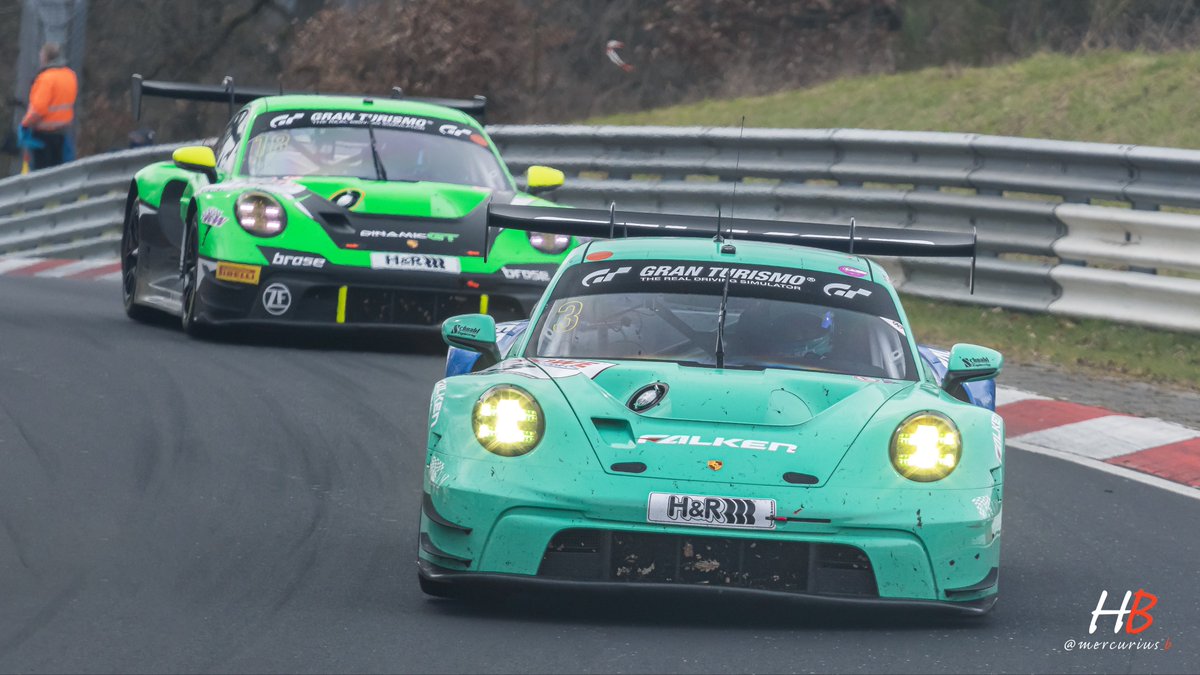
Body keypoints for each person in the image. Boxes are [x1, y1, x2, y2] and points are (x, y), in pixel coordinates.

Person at [20, 42, 78, 170]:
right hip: (62, 133)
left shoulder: (45, 79)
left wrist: (24, 124)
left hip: (43, 136)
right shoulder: (70, 75)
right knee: (57, 171)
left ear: (45, 57)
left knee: (41, 173)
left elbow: (38, 109)